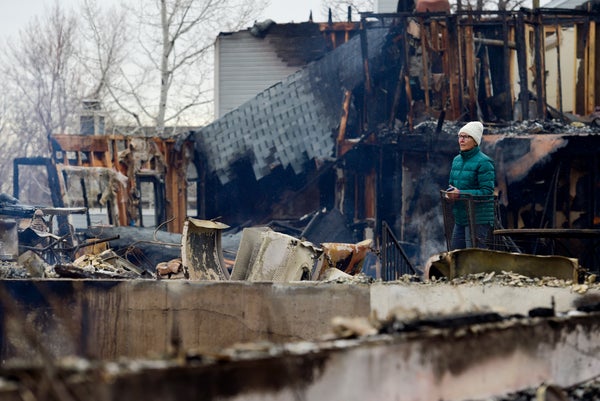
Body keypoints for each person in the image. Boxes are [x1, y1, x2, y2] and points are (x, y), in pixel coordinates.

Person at [445, 121, 495, 250]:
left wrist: (460, 194)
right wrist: (450, 194)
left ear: (475, 141)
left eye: (466, 137)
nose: (461, 140)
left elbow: (487, 192)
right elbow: (452, 185)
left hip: (478, 218)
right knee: (456, 254)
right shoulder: (456, 160)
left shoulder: (484, 162)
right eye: (460, 136)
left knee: (473, 258)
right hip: (461, 216)